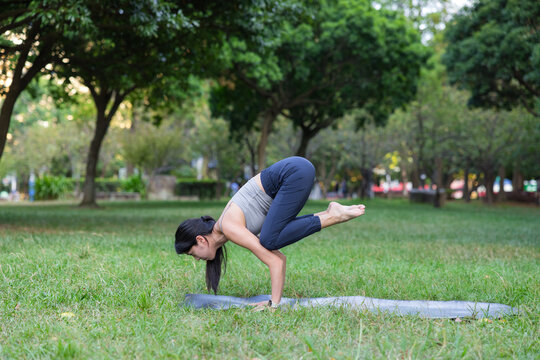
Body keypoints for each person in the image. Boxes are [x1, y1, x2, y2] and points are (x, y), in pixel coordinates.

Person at [175, 157, 365, 308]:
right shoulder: (229, 228)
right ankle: (330, 213)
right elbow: (279, 259)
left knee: (269, 239)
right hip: (297, 171)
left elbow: (273, 260)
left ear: (200, 239)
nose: (197, 259)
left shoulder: (230, 228)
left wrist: (273, 305)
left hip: (295, 173)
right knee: (269, 239)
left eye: (192, 254)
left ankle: (333, 215)